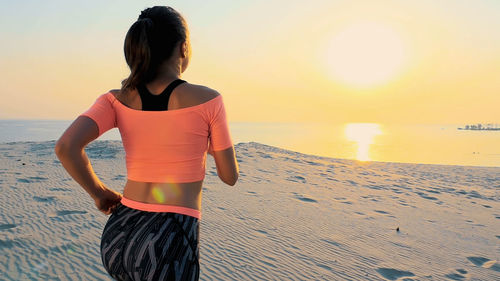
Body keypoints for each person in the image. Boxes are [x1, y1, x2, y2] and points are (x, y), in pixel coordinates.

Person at [54, 6, 239, 281]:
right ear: (183, 48)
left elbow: (66, 147)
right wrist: (206, 144)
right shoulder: (208, 100)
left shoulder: (115, 99)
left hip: (119, 234)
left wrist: (99, 193)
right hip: (169, 239)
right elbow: (229, 176)